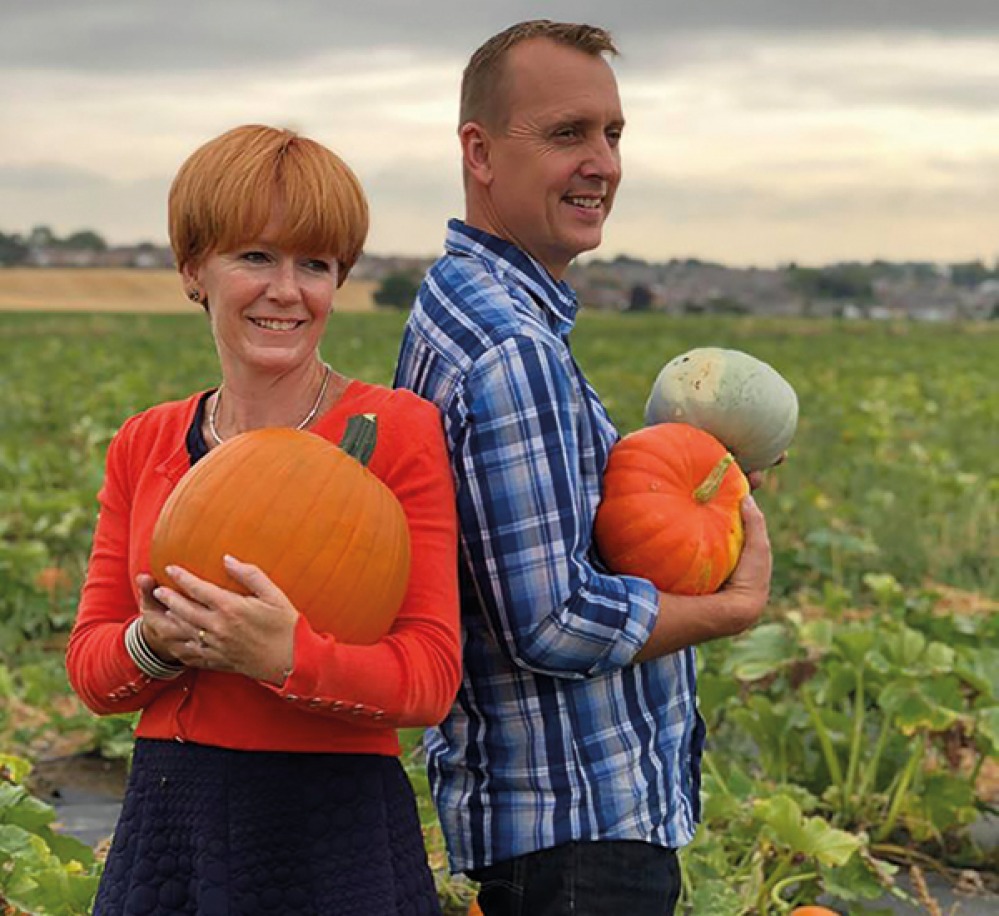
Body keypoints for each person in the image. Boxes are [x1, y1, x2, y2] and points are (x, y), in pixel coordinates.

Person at [393, 20, 773, 916]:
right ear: (479, 153)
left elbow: (574, 545)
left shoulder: (465, 306)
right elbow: (551, 622)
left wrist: (702, 494)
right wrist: (730, 608)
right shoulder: (511, 350)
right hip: (574, 831)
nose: (601, 161)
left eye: (612, 133)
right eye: (568, 134)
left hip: (555, 829)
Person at [67, 124, 461, 916]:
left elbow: (428, 676)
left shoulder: (396, 433)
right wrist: (155, 644)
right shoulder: (147, 443)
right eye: (255, 256)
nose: (287, 289)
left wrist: (287, 656)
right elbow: (91, 666)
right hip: (175, 815)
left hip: (330, 821)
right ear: (193, 270)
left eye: (314, 264)